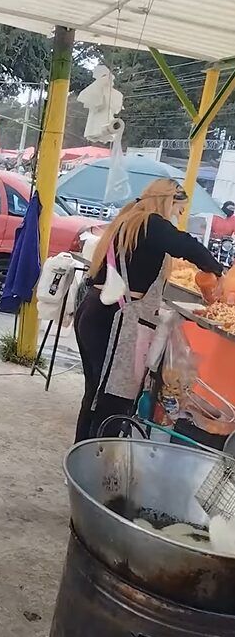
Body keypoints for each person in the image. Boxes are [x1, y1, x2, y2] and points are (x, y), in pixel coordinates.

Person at [74, 179, 223, 443]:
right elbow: (187, 245)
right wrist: (217, 271)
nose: (178, 216)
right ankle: (97, 458)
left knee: (96, 393)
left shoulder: (130, 220)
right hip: (115, 319)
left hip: (94, 309)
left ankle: (82, 454)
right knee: (113, 398)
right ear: (168, 200)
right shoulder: (150, 223)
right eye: (178, 209)